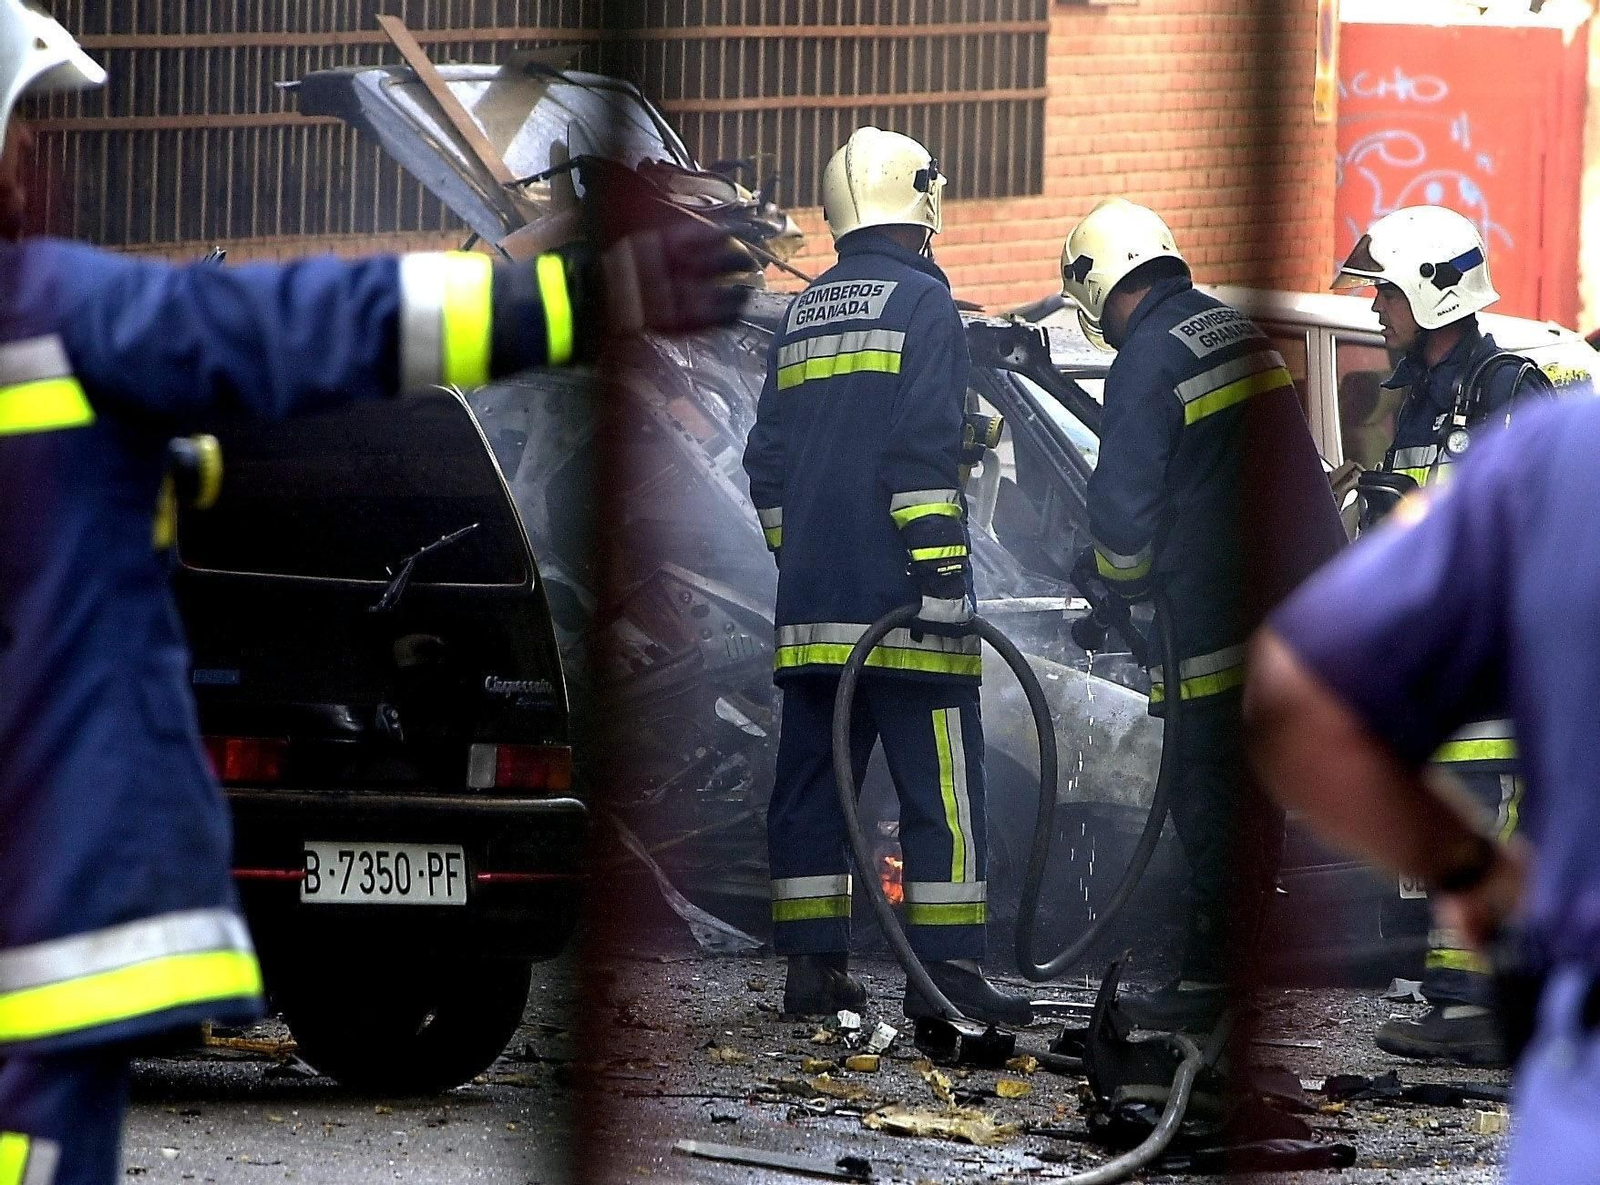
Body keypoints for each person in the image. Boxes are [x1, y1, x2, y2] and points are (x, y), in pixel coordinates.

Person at [0, 5, 749, 1180]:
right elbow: (325, 321)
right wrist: (582, 299)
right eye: (22, 131)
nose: (39, 159)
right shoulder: (64, 316)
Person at [1244, 395, 1600, 1184]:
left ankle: (1460, 999)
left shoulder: (1563, 455)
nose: (1385, 329)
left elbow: (1297, 698)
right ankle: (1455, 998)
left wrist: (1470, 867)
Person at [741, 126, 1030, 1025]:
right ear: (923, 201)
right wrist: (942, 580)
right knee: (940, 793)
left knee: (812, 788)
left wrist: (803, 558)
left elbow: (767, 465)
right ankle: (946, 975)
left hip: (813, 614)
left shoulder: (801, 313)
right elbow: (916, 461)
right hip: (905, 611)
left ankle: (812, 971)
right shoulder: (924, 305)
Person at [1058, 197, 1346, 1031]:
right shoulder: (1236, 331)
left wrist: (1117, 584)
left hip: (1220, 622)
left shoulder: (1147, 358)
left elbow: (1122, 514)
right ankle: (1235, 976)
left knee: (1208, 796)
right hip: (1303, 614)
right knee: (1254, 801)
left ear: (1100, 284)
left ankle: (1208, 983)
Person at [1331, 205, 1552, 1064]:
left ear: (1431, 295)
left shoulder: (1506, 390)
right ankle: (1469, 1003)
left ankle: (1472, 1009)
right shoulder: (1424, 396)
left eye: (1386, 294)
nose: (1376, 309)